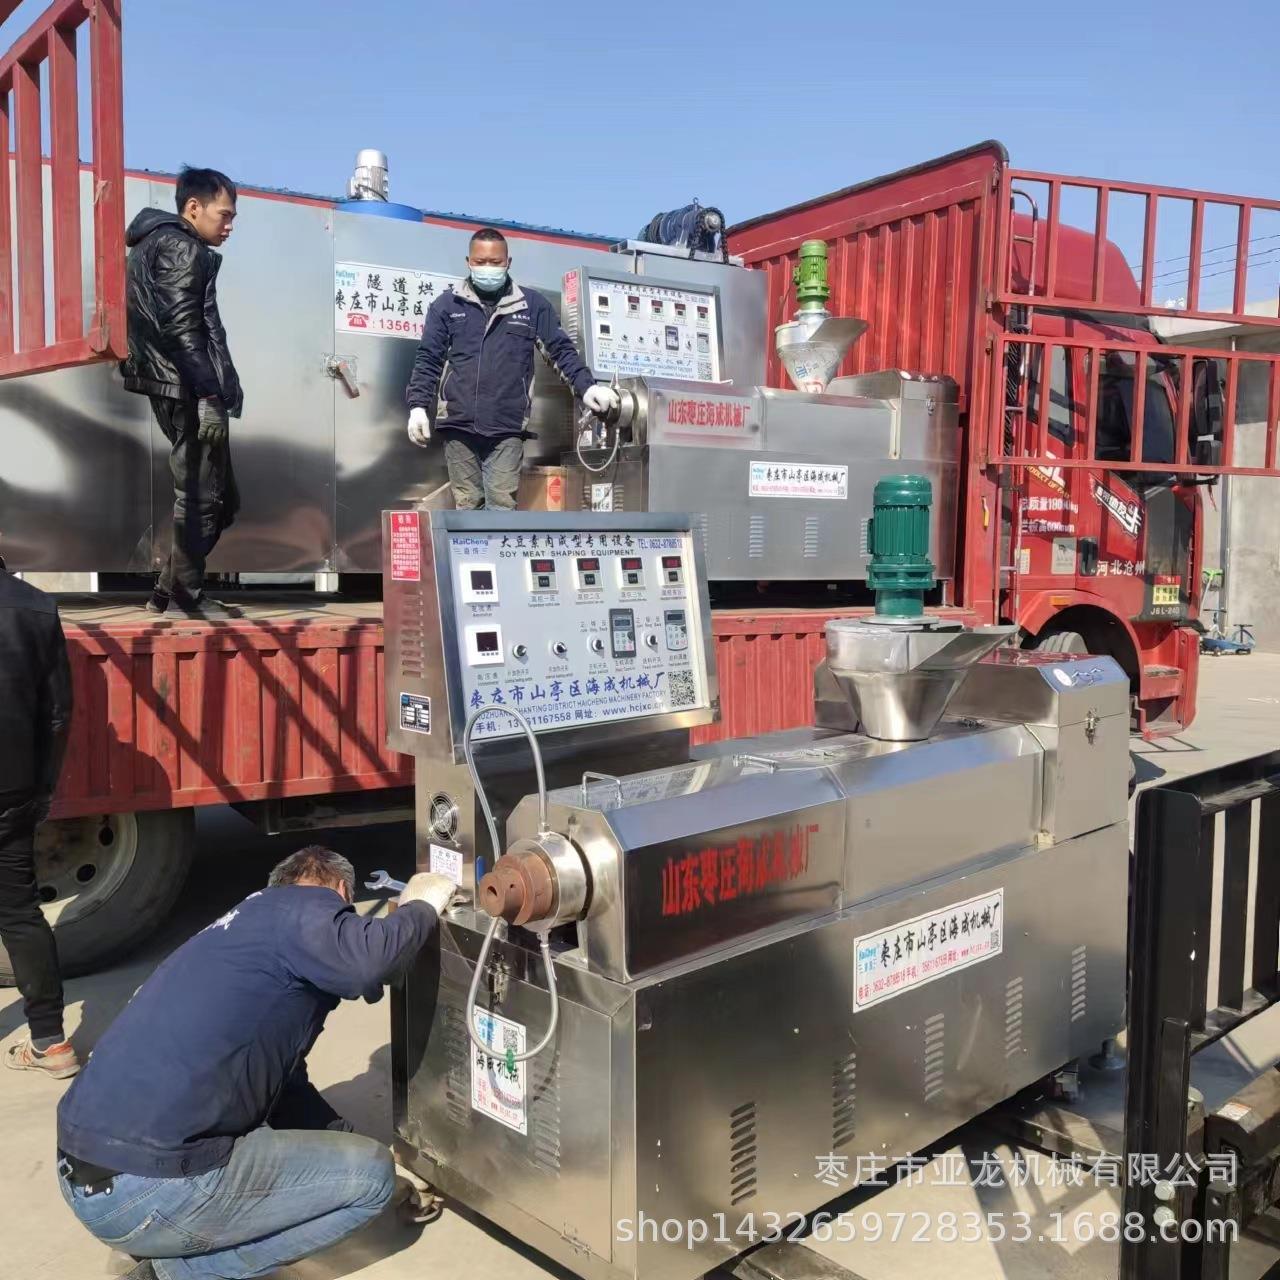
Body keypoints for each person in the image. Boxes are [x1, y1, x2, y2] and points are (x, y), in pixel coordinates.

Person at [56, 847, 458, 1280]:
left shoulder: (237, 931)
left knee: (352, 1157)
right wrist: (420, 907)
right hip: (149, 1193)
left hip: (83, 1179)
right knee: (371, 1182)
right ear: (339, 890)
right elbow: (368, 963)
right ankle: (178, 1273)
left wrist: (348, 1141)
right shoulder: (302, 906)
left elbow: (286, 1089)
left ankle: (164, 1239)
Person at [405, 226, 618, 509]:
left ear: (508, 263)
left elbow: (560, 350)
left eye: (495, 262)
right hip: (458, 424)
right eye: (480, 262)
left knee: (501, 508)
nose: (487, 268)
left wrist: (587, 386)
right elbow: (429, 358)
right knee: (468, 507)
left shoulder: (532, 306)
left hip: (507, 428)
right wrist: (418, 406)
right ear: (468, 262)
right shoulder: (447, 306)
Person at [121, 166, 244, 620]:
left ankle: (166, 591)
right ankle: (185, 597)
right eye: (224, 214)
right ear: (194, 208)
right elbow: (182, 329)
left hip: (179, 383)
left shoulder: (159, 242)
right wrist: (210, 394)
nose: (229, 226)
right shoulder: (180, 246)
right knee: (202, 497)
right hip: (188, 387)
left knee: (218, 498)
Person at [0, 555, 76, 1079]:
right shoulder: (35, 605)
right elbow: (57, 711)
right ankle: (51, 1041)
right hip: (14, 786)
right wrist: (44, 786)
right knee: (20, 912)